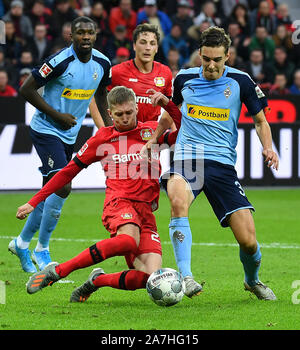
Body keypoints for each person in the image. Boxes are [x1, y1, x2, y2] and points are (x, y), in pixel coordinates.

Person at [142, 26, 279, 300]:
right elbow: (170, 114)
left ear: (227, 56)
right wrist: (155, 139)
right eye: (206, 59)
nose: (211, 65)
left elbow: (260, 120)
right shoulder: (184, 79)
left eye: (217, 59)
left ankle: (252, 281)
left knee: (249, 241)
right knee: (178, 200)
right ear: (199, 55)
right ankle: (186, 276)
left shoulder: (241, 81)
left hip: (222, 166)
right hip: (188, 159)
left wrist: (268, 147)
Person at [17, 86, 179, 302]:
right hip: (119, 203)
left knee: (150, 278)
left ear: (137, 109)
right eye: (119, 114)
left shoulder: (151, 132)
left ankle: (97, 281)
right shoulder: (103, 138)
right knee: (128, 241)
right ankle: (58, 271)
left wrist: (168, 105)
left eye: (129, 113)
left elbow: (184, 131)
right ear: (110, 114)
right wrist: (34, 201)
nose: (124, 118)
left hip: (146, 212)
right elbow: (67, 172)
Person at [8, 16, 112, 273]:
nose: (85, 37)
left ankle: (21, 243)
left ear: (96, 35)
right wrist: (57, 116)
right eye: (80, 33)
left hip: (70, 134)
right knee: (63, 186)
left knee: (51, 188)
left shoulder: (102, 63)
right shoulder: (59, 61)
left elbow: (100, 96)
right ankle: (42, 249)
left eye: (90, 32)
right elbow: (26, 89)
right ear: (71, 36)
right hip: (46, 129)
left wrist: (112, 129)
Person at [108, 23, 173, 123]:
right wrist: (105, 129)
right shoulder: (117, 72)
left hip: (152, 135)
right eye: (143, 42)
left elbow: (170, 108)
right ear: (134, 46)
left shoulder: (165, 72)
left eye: (152, 43)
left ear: (156, 48)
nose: (147, 47)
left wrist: (172, 133)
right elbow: (98, 101)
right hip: (125, 135)